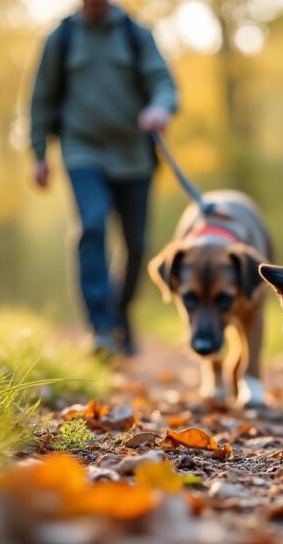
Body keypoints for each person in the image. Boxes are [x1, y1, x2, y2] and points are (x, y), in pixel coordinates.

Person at [30, 0, 176, 356]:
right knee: (92, 226)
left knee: (136, 244)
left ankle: (119, 314)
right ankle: (101, 329)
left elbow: (162, 81)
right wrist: (38, 154)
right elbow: (41, 98)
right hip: (83, 152)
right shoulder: (61, 37)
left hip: (134, 156)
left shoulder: (135, 34)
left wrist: (160, 107)